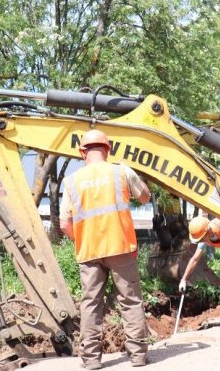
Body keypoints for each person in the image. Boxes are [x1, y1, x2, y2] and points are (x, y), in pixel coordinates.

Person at [59, 129, 152, 369]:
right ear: (107, 149)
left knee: (90, 304)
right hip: (120, 247)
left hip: (89, 251)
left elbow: (64, 224)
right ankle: (138, 356)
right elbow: (145, 197)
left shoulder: (71, 181)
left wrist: (82, 240)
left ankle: (91, 360)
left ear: (82, 152)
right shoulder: (121, 172)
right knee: (130, 301)